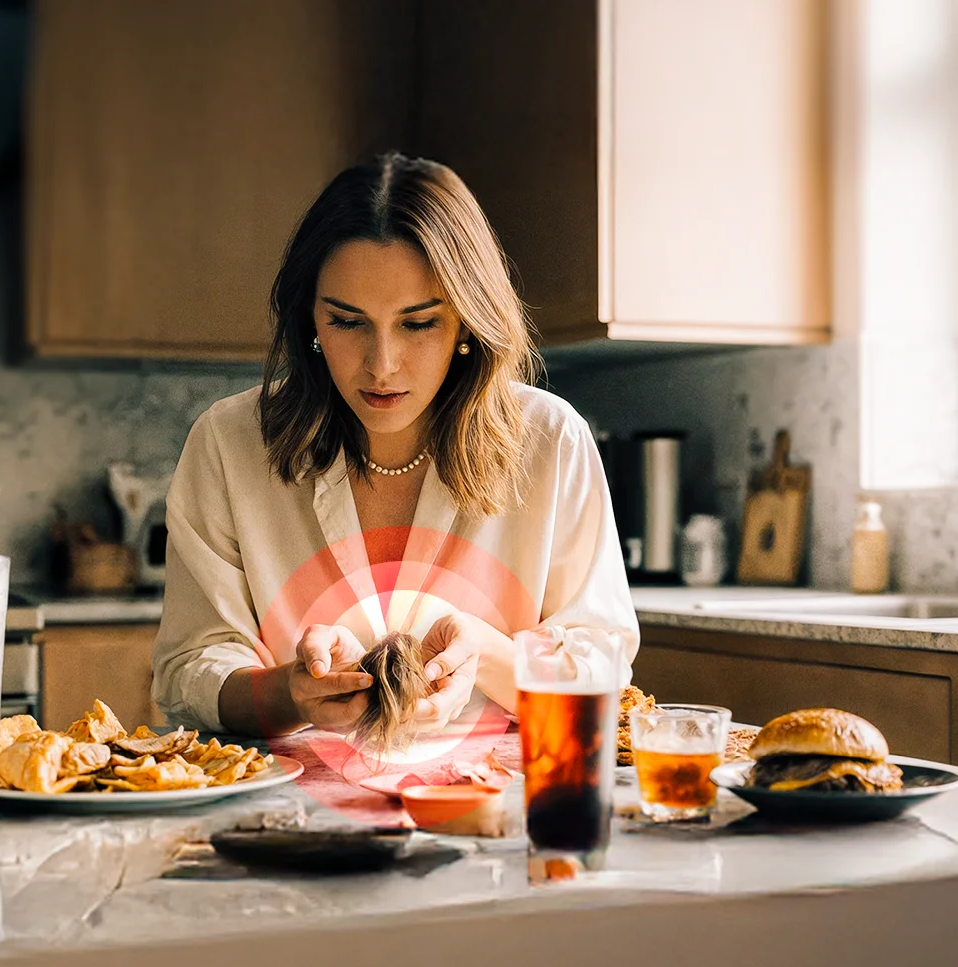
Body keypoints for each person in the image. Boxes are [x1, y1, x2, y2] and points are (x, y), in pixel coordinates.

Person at [152, 152, 636, 748]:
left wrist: (486, 655)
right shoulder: (229, 443)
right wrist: (290, 692)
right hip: (297, 817)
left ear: (466, 321)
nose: (382, 367)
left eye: (418, 324)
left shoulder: (551, 440)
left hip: (496, 807)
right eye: (348, 322)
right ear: (310, 318)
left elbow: (603, 669)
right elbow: (188, 672)